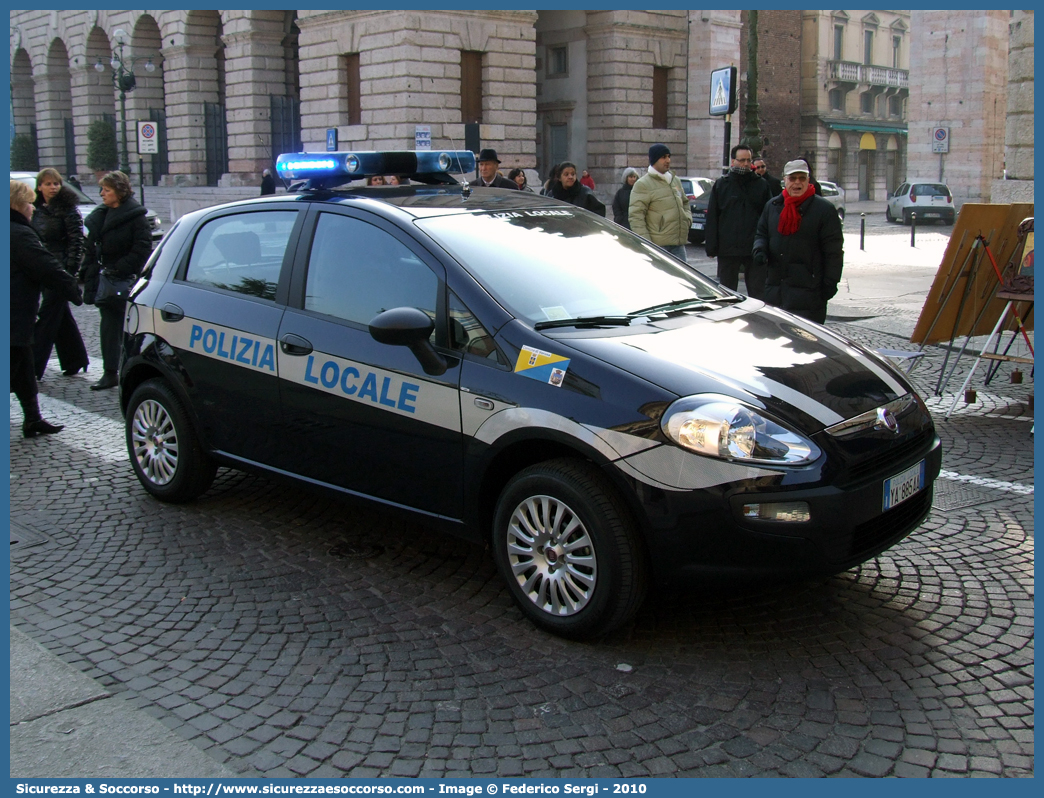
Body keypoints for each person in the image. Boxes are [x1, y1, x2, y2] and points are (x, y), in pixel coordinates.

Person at [10, 180, 83, 437]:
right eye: (29, 204)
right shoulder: (18, 233)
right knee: (16, 366)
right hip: (14, 314)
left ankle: (32, 418)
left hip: (16, 315)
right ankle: (32, 418)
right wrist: (73, 289)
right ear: (18, 205)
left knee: (24, 367)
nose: (33, 209)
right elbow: (45, 266)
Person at [81, 171, 153, 391]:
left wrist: (120, 268)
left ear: (119, 193)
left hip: (125, 279)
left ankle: (131, 370)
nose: (102, 194)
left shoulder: (135, 217)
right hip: (106, 279)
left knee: (131, 329)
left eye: (107, 190)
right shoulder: (100, 215)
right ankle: (110, 371)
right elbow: (91, 249)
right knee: (108, 327)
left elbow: (142, 248)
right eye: (101, 189)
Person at [752, 159, 843, 325]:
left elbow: (834, 253)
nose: (797, 183)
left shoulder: (824, 210)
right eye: (792, 178)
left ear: (808, 180)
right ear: (785, 180)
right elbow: (761, 234)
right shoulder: (772, 206)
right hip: (776, 292)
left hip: (810, 295)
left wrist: (828, 286)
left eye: (802, 178)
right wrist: (759, 250)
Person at [30, 168, 90, 378]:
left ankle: (32, 367)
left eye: (56, 183)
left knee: (47, 316)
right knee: (60, 315)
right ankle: (75, 360)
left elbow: (77, 242)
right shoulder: (36, 209)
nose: (53, 187)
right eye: (48, 184)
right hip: (43, 267)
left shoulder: (69, 209)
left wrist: (70, 271)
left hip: (60, 269)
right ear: (40, 187)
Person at [705, 144, 773, 296]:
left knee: (758, 293)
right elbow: (713, 217)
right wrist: (711, 246)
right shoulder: (722, 184)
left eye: (748, 160)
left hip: (754, 247)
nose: (746, 164)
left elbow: (769, 216)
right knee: (727, 293)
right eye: (742, 160)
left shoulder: (761, 185)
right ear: (733, 161)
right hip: (728, 248)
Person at [628, 144, 692, 262]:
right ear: (654, 160)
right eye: (663, 157)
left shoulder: (674, 180)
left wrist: (687, 219)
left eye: (668, 156)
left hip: (678, 244)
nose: (668, 160)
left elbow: (685, 203)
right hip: (658, 246)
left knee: (681, 280)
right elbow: (636, 216)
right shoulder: (643, 184)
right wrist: (647, 244)